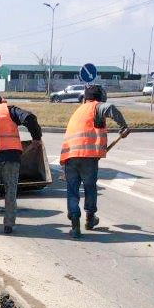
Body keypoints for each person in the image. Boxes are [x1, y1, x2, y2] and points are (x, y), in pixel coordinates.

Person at [60, 84, 130, 239]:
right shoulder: (96, 107)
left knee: (72, 191)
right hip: (87, 157)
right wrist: (123, 126)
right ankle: (90, 219)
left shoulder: (80, 110)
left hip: (70, 156)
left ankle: (75, 225)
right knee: (90, 187)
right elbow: (110, 108)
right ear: (100, 98)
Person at [0, 92, 42, 234]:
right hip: (12, 157)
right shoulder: (8, 110)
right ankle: (9, 225)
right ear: (0, 102)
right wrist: (36, 138)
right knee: (10, 191)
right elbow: (29, 118)